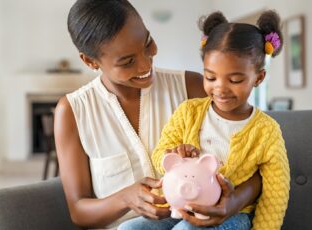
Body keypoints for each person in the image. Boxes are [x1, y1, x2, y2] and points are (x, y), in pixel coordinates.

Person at [54, 0, 262, 229]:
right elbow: (79, 211)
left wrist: (234, 203)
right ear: (90, 61)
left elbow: (257, 160)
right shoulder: (73, 111)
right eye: (128, 61)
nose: (145, 64)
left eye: (148, 43)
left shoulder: (191, 87)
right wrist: (124, 198)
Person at [119, 10, 290, 230]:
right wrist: (174, 153)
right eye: (210, 77)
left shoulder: (267, 131)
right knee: (129, 228)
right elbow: (160, 153)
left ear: (258, 78)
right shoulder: (188, 111)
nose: (220, 88)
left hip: (233, 215)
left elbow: (276, 192)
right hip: (182, 206)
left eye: (235, 80)